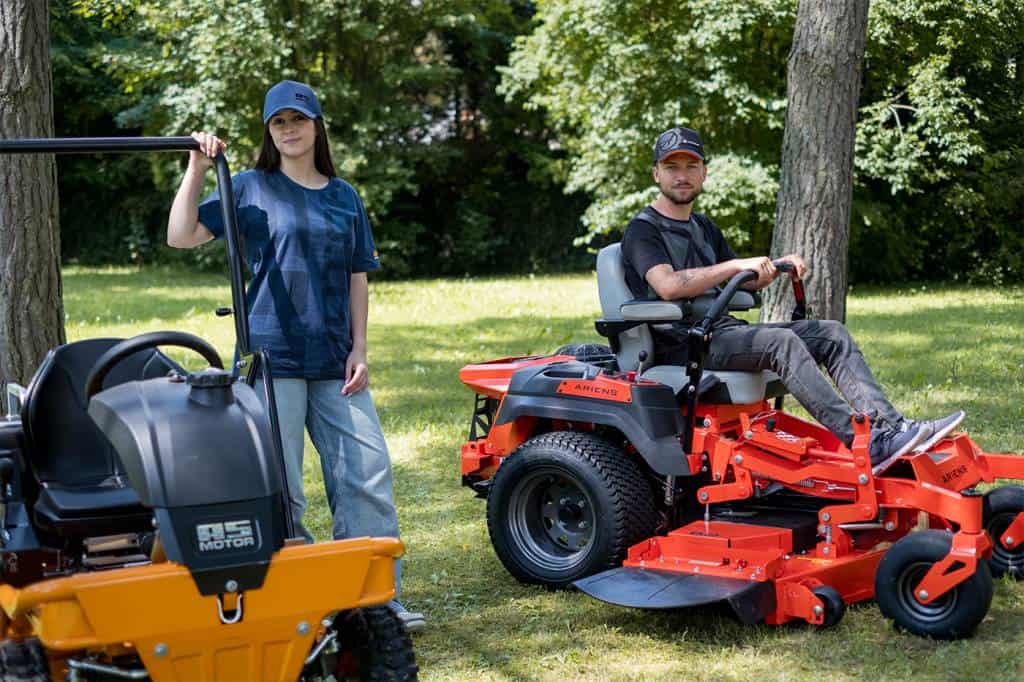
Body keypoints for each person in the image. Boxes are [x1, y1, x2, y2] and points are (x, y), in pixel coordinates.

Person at [166, 80, 425, 632]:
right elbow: (180, 235)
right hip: (270, 359)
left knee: (366, 476)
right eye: (278, 122)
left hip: (335, 361)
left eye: (298, 120)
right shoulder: (248, 187)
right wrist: (196, 167)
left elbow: (357, 275)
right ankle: (294, 600)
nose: (289, 130)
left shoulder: (344, 196)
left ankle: (374, 601)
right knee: (281, 490)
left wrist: (360, 348)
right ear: (269, 131)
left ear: (316, 126)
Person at [621, 126, 963, 472]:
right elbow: (668, 286)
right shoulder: (643, 229)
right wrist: (737, 265)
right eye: (672, 167)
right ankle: (865, 443)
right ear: (656, 174)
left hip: (721, 331)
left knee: (831, 333)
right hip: (684, 344)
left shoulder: (704, 227)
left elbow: (741, 282)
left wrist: (773, 266)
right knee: (780, 342)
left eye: (691, 166)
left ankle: (892, 430)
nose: (682, 176)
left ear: (704, 172)